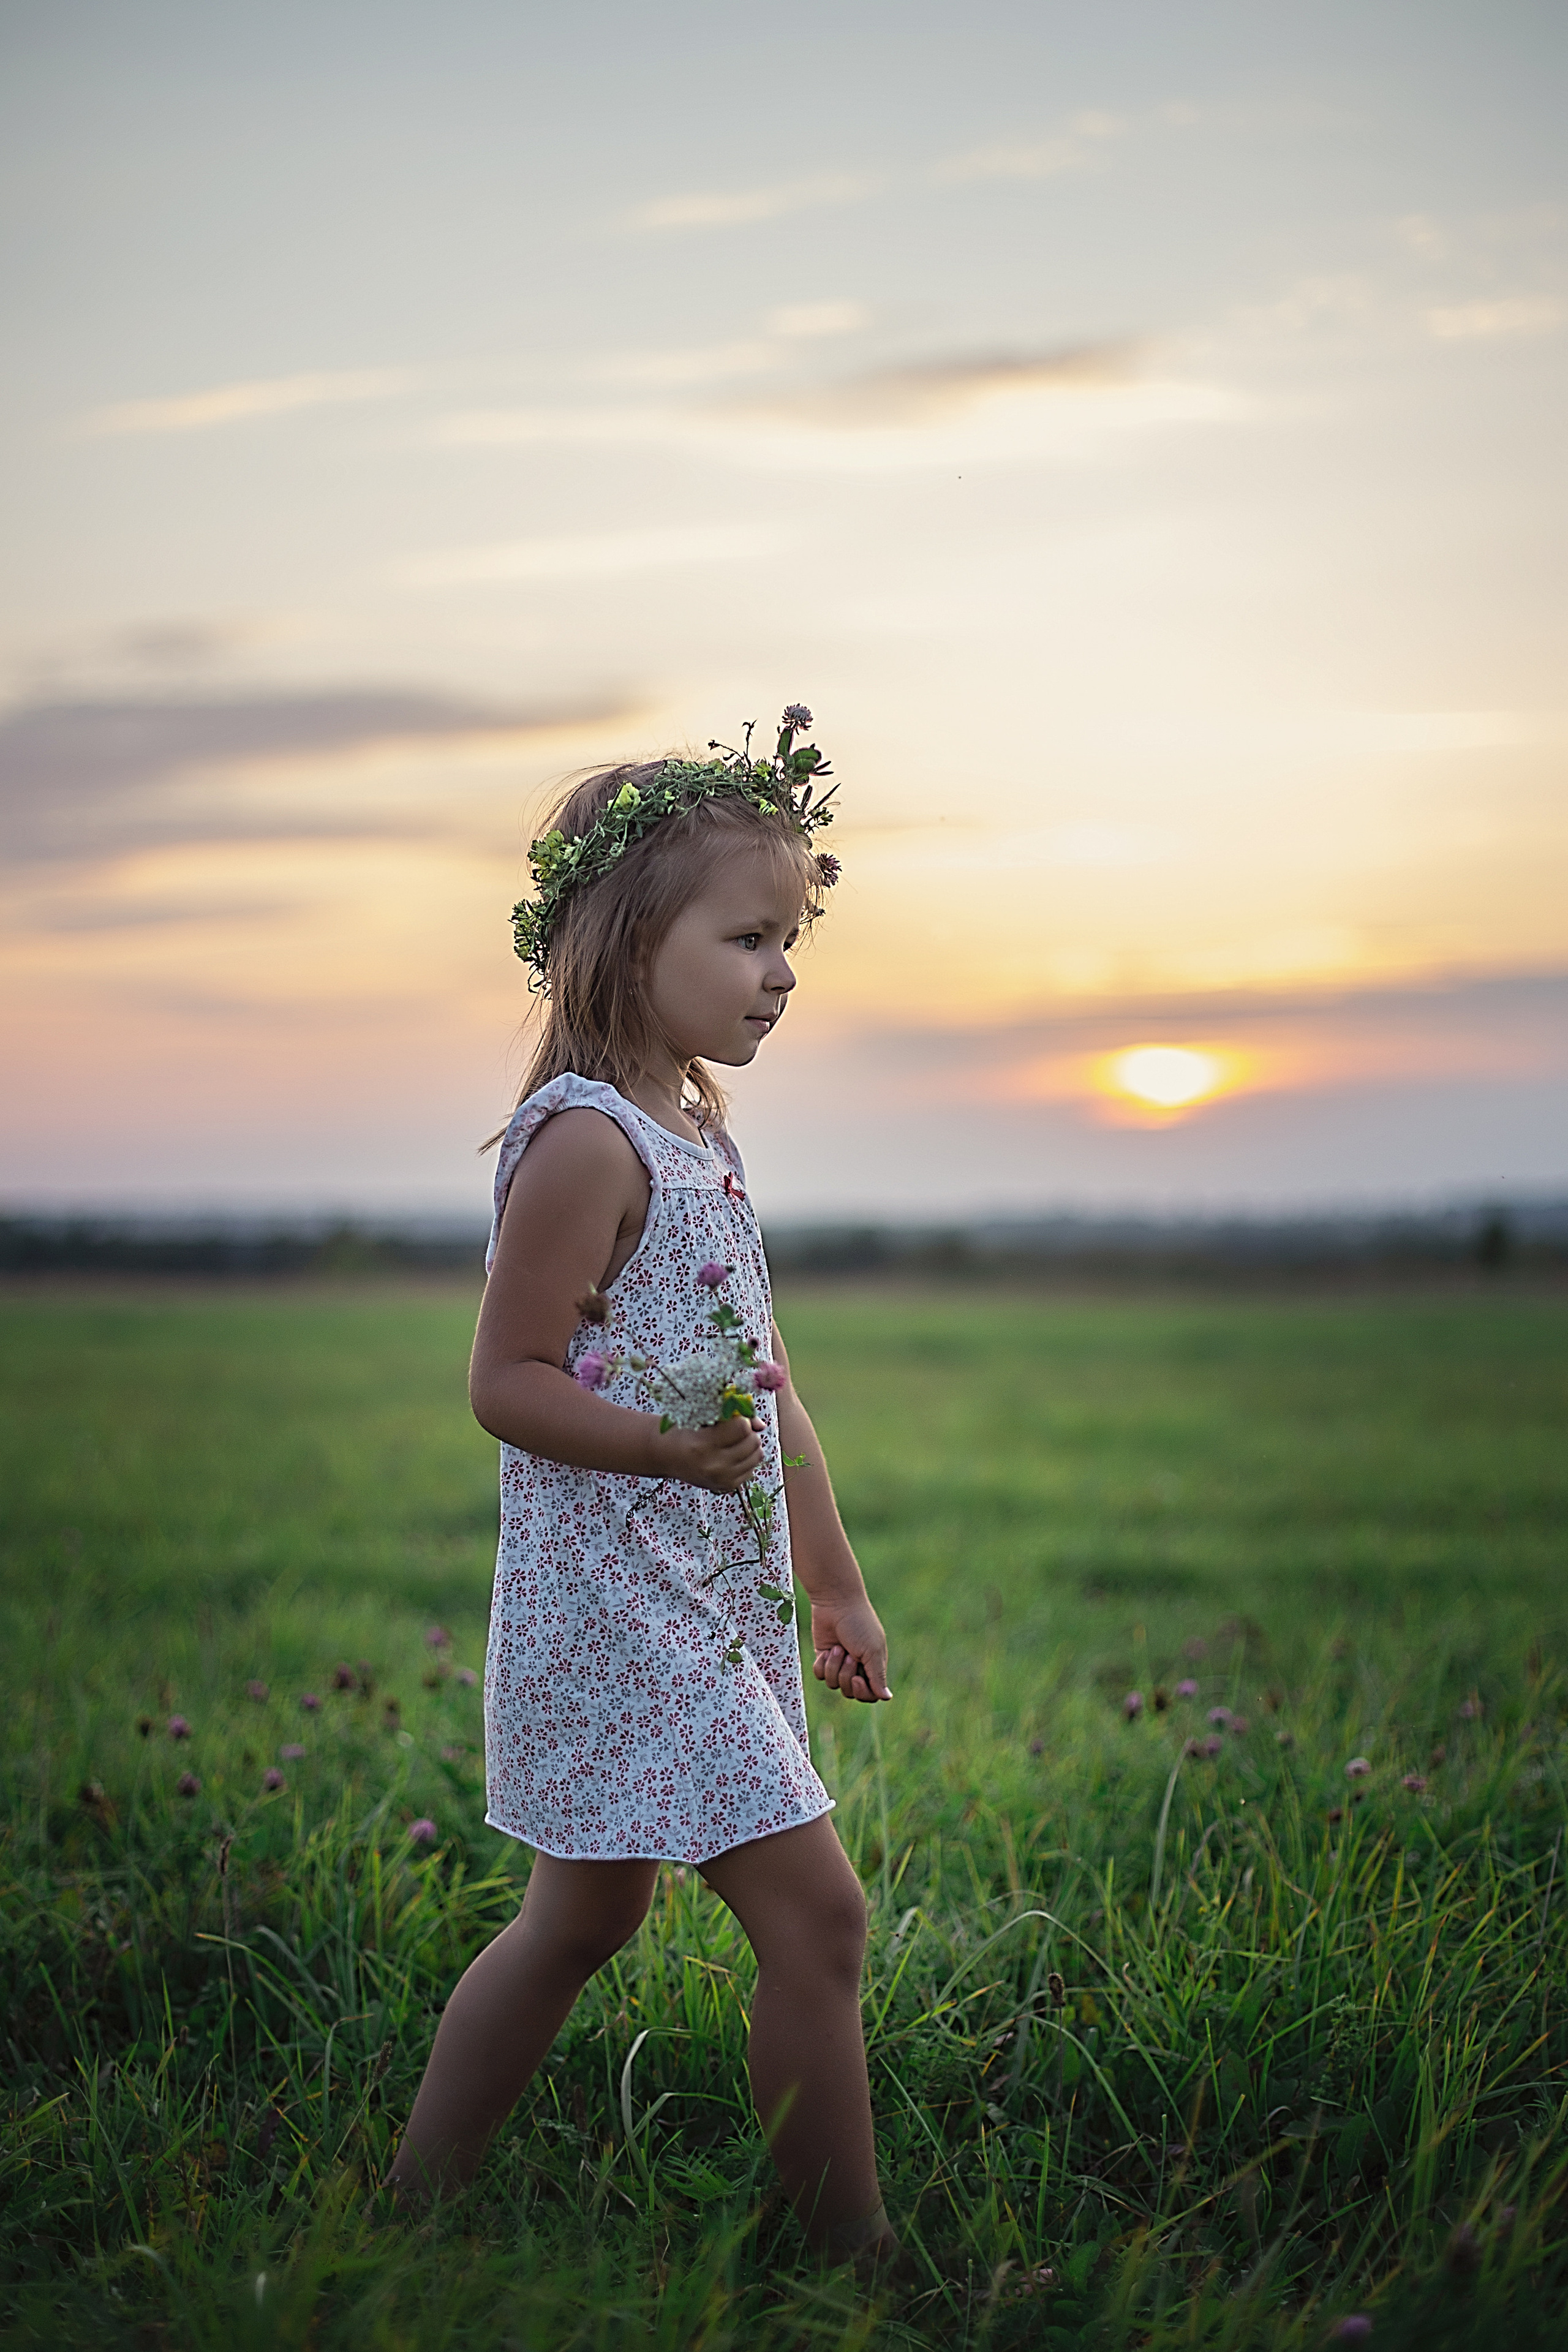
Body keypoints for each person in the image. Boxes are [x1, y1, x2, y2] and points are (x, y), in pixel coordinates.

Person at [390, 709, 897, 2271]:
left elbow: (769, 1380)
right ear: (625, 943)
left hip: (707, 1601)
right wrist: (662, 1452)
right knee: (816, 1919)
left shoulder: (700, 1137)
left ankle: (410, 2206)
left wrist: (831, 1576)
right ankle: (850, 2259)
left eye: (790, 939)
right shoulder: (587, 1146)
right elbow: (507, 1381)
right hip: (619, 1610)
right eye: (749, 935)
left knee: (580, 1921)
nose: (782, 972)